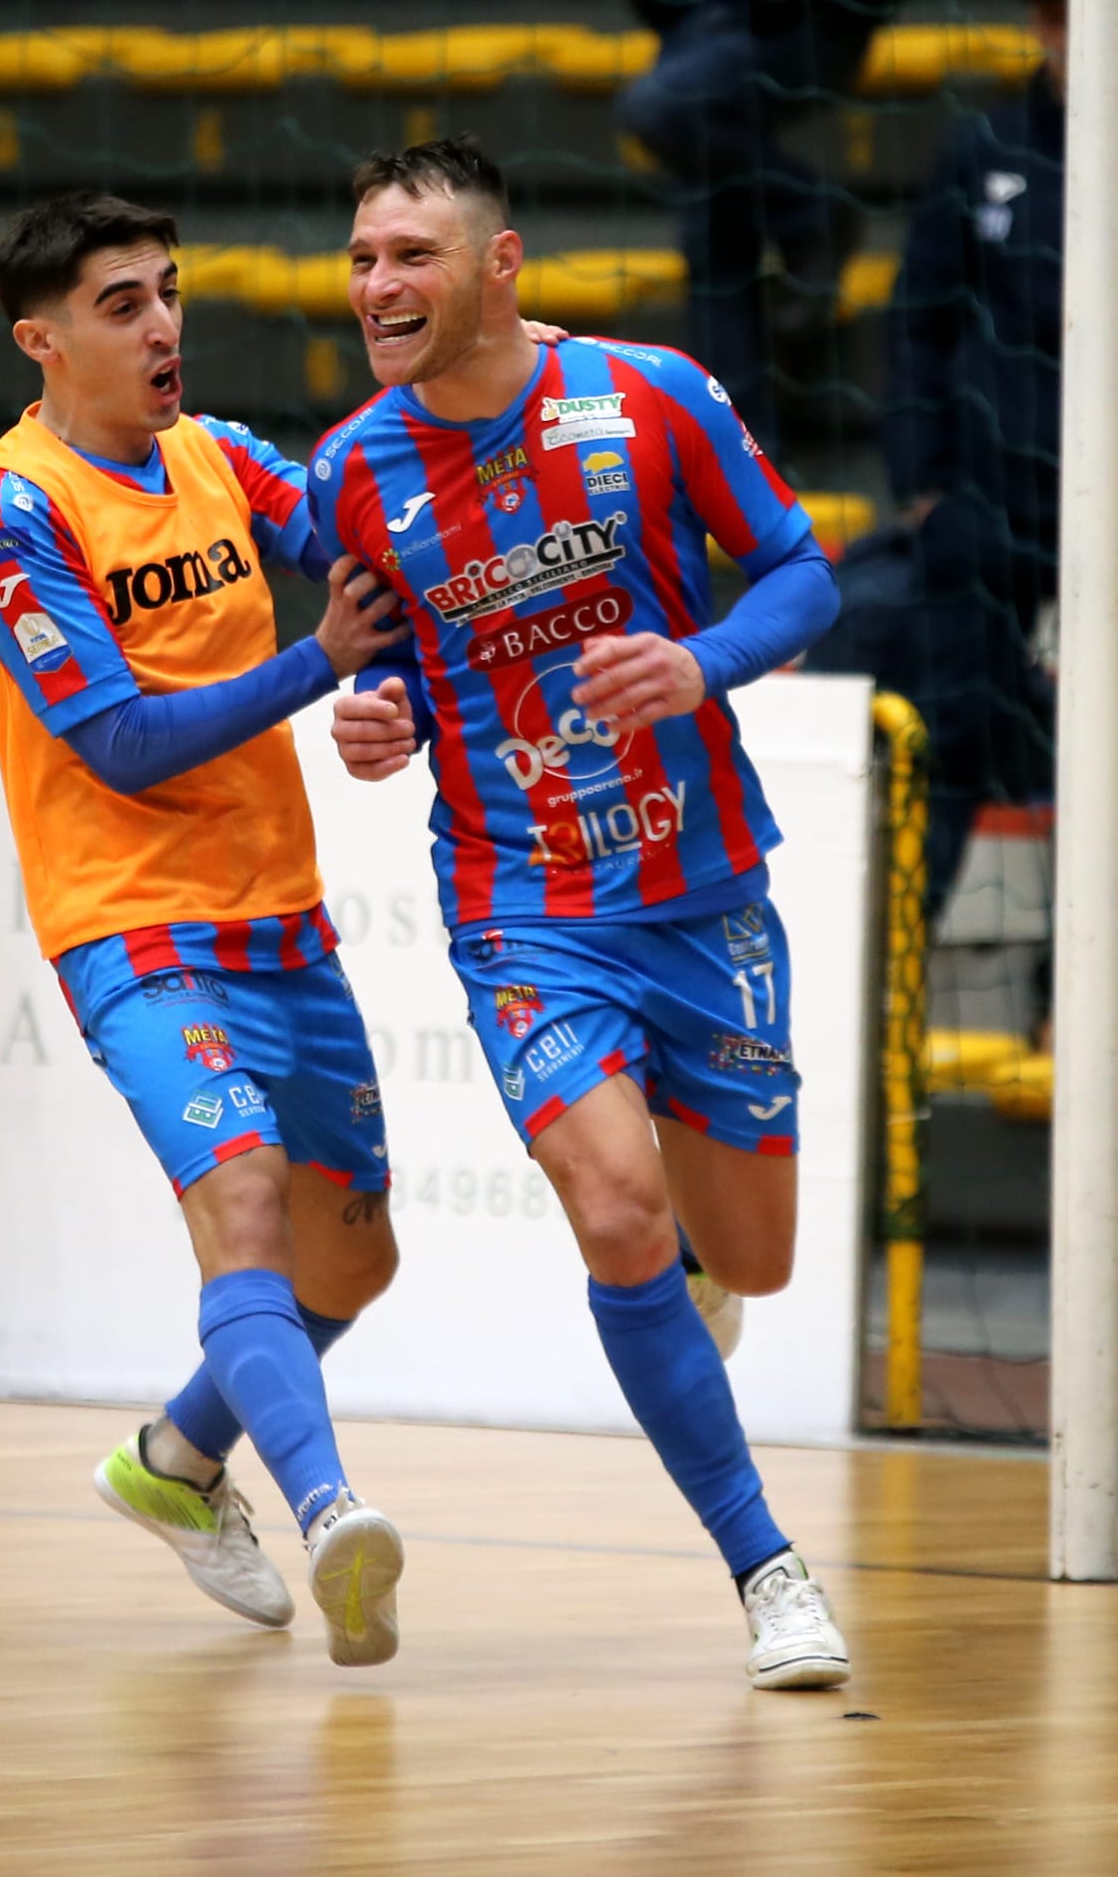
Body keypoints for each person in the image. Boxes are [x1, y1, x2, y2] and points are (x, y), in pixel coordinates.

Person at [318, 139, 851, 1689]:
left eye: (412, 255)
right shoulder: (352, 468)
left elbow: (801, 575)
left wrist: (701, 661)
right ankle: (771, 1575)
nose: (378, 285)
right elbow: (389, 663)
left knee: (752, 1260)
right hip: (522, 906)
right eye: (362, 258)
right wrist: (377, 718)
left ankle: (697, 1280)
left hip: (703, 885)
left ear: (501, 265)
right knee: (616, 1208)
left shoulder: (649, 394)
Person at [0, 193, 409, 1666]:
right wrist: (319, 665)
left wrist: (473, 404)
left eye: (169, 292)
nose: (162, 326)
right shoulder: (9, 513)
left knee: (353, 1263)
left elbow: (372, 554)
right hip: (128, 919)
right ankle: (333, 1518)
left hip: (279, 914)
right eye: (122, 303)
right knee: (244, 1200)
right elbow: (121, 743)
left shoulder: (220, 456)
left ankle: (175, 1461)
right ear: (42, 340)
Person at [809, 0, 1066, 918]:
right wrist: (924, 483)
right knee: (951, 734)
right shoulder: (984, 150)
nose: (1067, 30)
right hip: (985, 509)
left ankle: (1072, 986)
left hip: (1092, 516)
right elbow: (917, 318)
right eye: (1050, 9)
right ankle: (896, 970)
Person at [615, 0, 964, 455]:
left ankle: (812, 211)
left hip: (805, 20)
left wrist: (851, 2)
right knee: (714, 230)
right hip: (694, 23)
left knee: (658, 109)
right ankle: (739, 450)